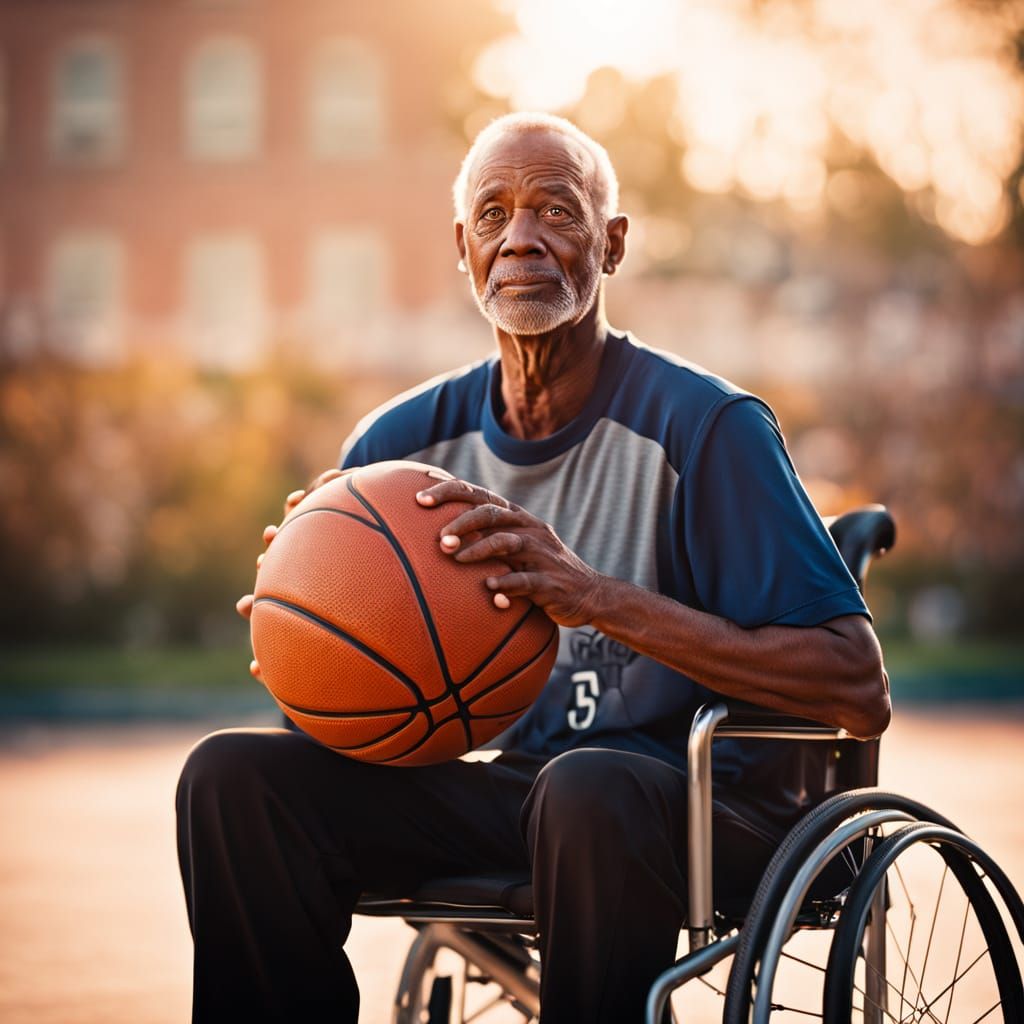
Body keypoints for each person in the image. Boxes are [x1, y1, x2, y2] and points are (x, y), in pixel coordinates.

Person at [176, 112, 890, 1023]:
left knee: (589, 783)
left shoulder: (707, 428)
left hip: (708, 805)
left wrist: (594, 598)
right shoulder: (398, 447)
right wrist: (299, 625)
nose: (521, 237)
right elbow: (345, 719)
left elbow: (855, 687)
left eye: (557, 210)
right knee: (231, 779)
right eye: (494, 213)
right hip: (521, 790)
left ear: (612, 243)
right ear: (463, 248)